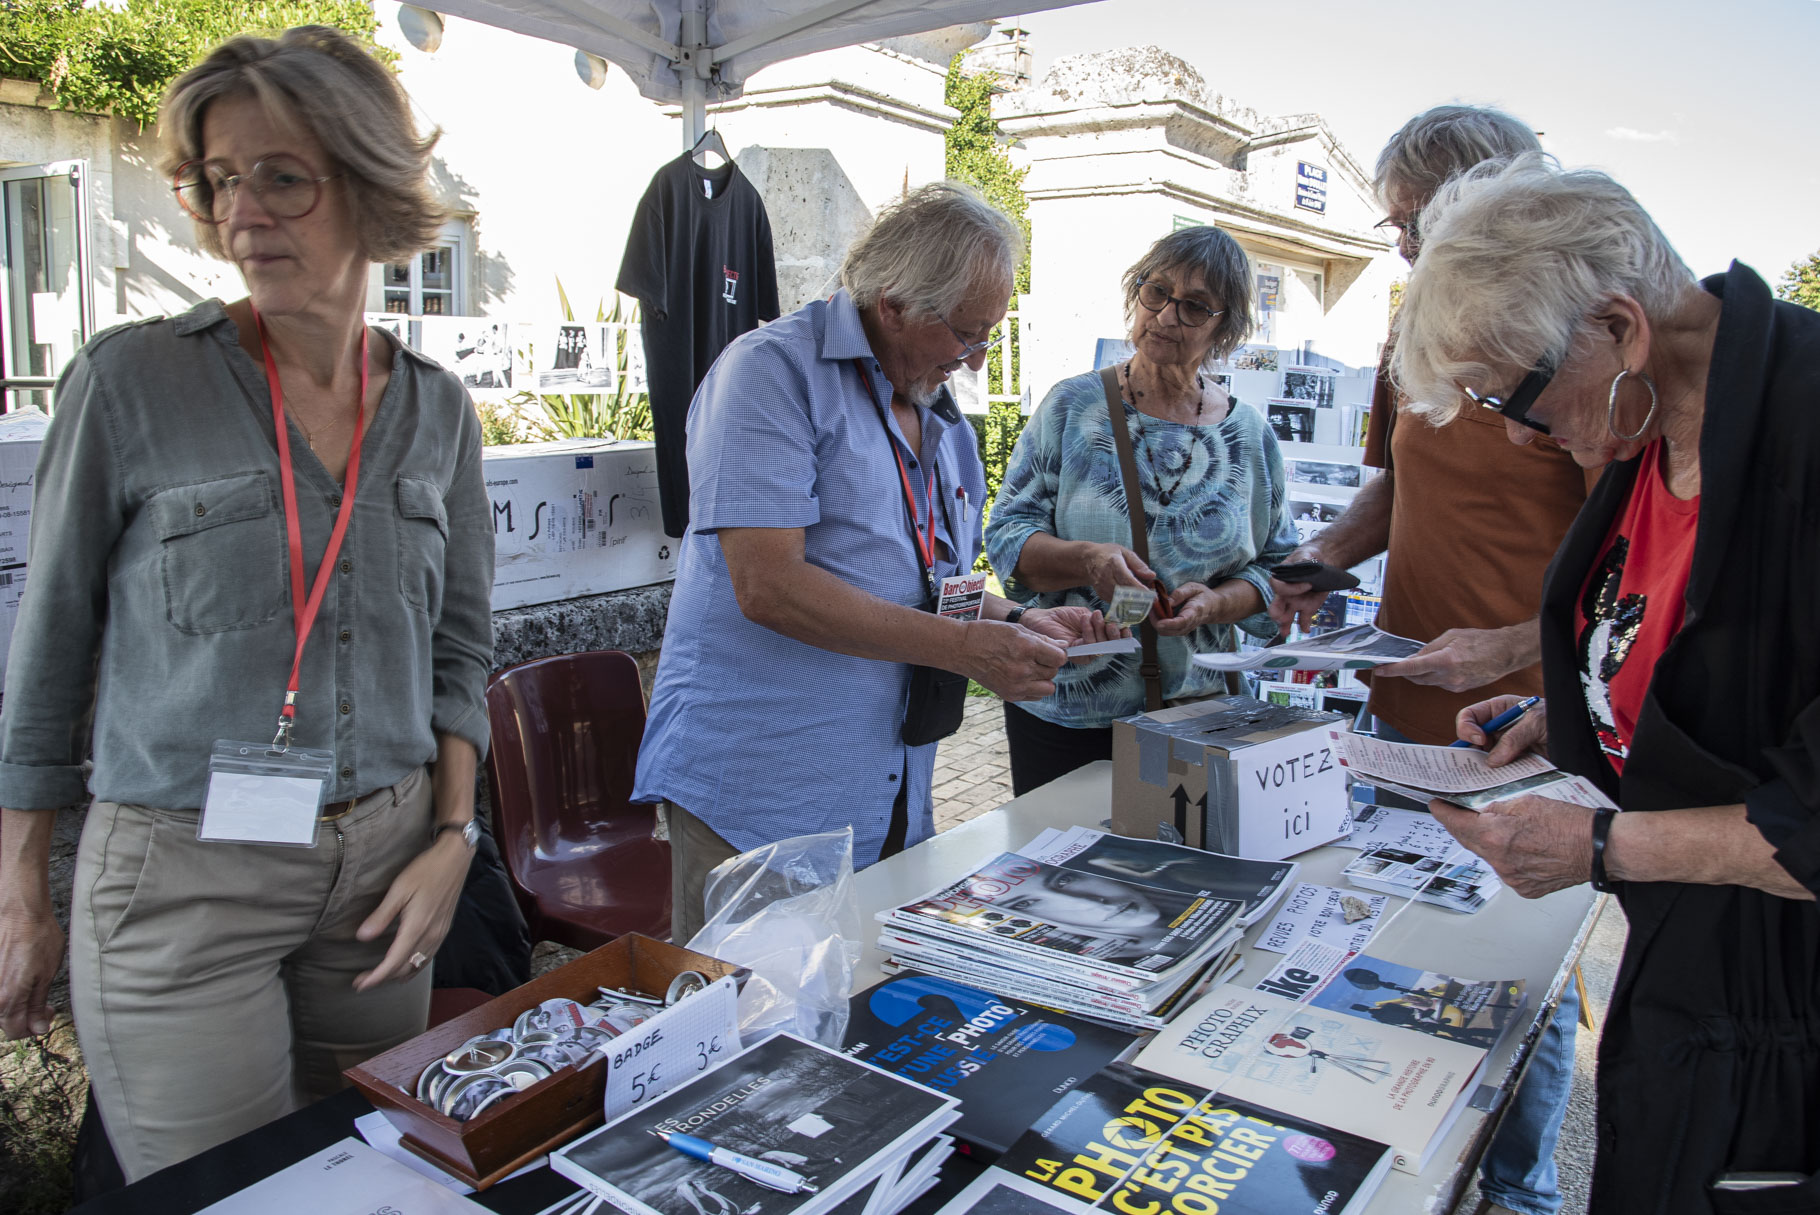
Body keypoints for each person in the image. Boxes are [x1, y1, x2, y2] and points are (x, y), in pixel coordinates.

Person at [0, 27, 495, 1180]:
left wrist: (452, 835)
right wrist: (22, 898)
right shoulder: (133, 382)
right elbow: (50, 652)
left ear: (370, 187)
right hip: (183, 880)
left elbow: (459, 645)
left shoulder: (435, 411)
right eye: (219, 181)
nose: (242, 215)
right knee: (227, 1194)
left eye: (280, 176)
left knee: (379, 1173)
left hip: (385, 872)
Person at [1396, 153, 1820, 1213]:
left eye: (1516, 399)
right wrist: (1566, 715)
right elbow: (1685, 672)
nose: (1512, 431)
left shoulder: (1800, 430)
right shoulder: (1647, 431)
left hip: (1787, 1019)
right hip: (1686, 986)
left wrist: (1597, 845)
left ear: (1621, 328)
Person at [632, 183, 1118, 944]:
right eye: (966, 333)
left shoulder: (942, 419)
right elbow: (769, 586)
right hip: (764, 797)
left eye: (988, 335)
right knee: (750, 1031)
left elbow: (937, 585)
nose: (974, 358)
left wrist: (1017, 618)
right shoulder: (769, 375)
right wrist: (964, 649)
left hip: (889, 792)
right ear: (892, 304)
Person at [1267, 106, 1589, 1215]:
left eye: (1411, 227)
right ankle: (1403, 1171)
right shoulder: (1416, 328)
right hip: (1404, 708)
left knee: (1516, 980)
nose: (1398, 250)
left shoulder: (1564, 338)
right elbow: (1396, 485)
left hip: (1531, 723)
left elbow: (1627, 547)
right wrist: (1316, 558)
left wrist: (1524, 655)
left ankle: (1519, 1191)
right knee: (1396, 946)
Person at [985, 226, 1294, 795]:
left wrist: (1219, 602)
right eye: (1156, 292)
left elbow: (1279, 566)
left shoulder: (1248, 435)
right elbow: (1007, 537)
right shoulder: (1073, 407)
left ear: (1225, 327)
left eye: (1195, 306)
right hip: (1072, 705)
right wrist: (1087, 560)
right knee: (1067, 868)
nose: (1167, 316)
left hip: (1199, 712)